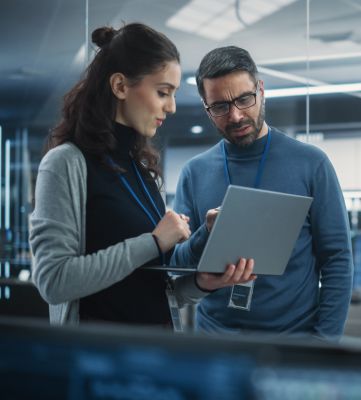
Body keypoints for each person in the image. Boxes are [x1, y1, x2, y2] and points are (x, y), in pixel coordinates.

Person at [29, 24, 255, 327]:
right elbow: (53, 281)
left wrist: (203, 282)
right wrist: (153, 242)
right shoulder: (65, 164)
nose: (172, 107)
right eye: (163, 92)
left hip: (152, 355)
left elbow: (153, 290)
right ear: (121, 86)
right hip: (95, 362)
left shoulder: (142, 171)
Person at [170, 46, 353, 341]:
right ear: (206, 108)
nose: (236, 115)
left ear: (261, 90)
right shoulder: (195, 173)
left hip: (294, 342)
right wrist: (207, 233)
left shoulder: (311, 163)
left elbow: (337, 259)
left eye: (244, 99)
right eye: (220, 107)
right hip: (216, 342)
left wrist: (324, 342)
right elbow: (178, 264)